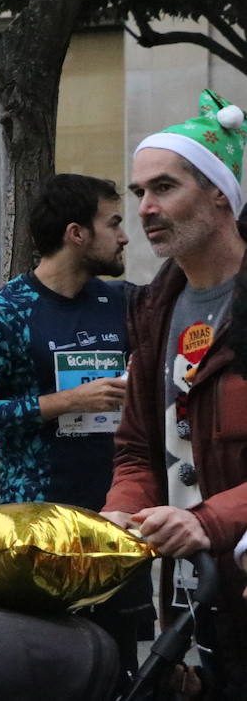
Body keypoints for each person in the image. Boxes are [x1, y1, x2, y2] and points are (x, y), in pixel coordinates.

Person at [0, 172, 147, 672]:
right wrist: (62, 402)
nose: (125, 235)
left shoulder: (125, 303)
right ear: (76, 233)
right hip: (37, 527)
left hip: (117, 520)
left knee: (118, 661)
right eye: (113, 223)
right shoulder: (3, 312)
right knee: (46, 667)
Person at [102, 90, 247, 696]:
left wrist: (209, 521)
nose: (146, 208)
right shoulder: (154, 307)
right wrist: (121, 514)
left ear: (220, 193)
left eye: (164, 187)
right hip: (191, 601)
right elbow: (138, 447)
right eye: (138, 193)